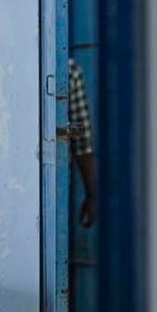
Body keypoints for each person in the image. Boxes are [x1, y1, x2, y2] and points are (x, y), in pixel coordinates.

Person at [68, 58, 96, 228]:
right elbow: (83, 141)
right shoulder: (70, 70)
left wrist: (92, 193)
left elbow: (82, 139)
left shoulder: (70, 70)